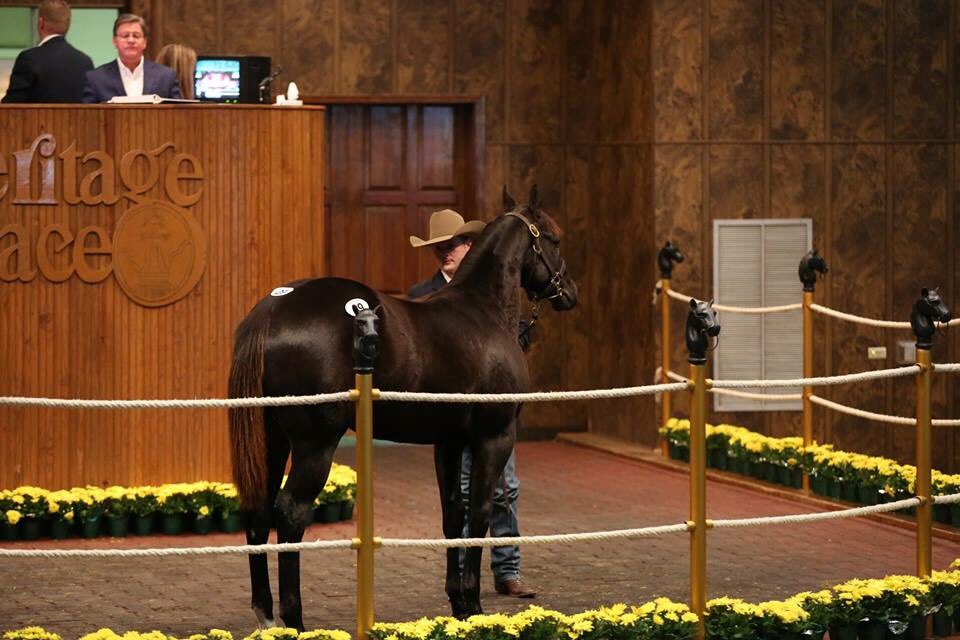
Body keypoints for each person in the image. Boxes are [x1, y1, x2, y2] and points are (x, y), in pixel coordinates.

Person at [408, 208, 537, 599]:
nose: (445, 253)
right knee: (463, 488)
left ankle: (507, 568)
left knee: (505, 488)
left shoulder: (498, 295)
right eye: (439, 249)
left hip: (491, 404)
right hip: (453, 410)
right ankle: (465, 569)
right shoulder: (421, 297)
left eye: (452, 246)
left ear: (470, 246)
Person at [1, 0, 93, 103]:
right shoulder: (85, 62)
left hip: (34, 119)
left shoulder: (29, 59)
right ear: (68, 26)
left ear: (41, 23)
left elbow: (12, 107)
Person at [81, 14, 181, 103]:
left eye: (136, 36)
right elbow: (88, 117)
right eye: (125, 36)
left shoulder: (166, 77)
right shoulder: (96, 79)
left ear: (145, 42)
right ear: (115, 41)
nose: (131, 40)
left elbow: (177, 116)